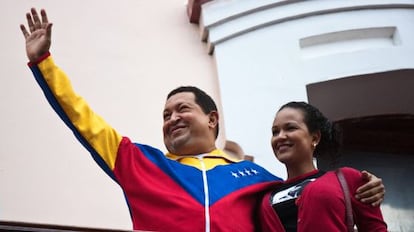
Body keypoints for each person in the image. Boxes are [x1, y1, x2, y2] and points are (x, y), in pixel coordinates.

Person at [20, 8, 385, 232]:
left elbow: (309, 196)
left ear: (212, 119)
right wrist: (44, 63)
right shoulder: (140, 163)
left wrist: (366, 187)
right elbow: (82, 120)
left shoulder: (257, 178)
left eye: (182, 109)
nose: (171, 118)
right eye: (165, 115)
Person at [259, 101, 387, 231]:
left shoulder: (347, 179)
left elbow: (376, 229)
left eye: (290, 128)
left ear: (315, 138)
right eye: (275, 132)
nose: (280, 137)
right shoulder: (263, 196)